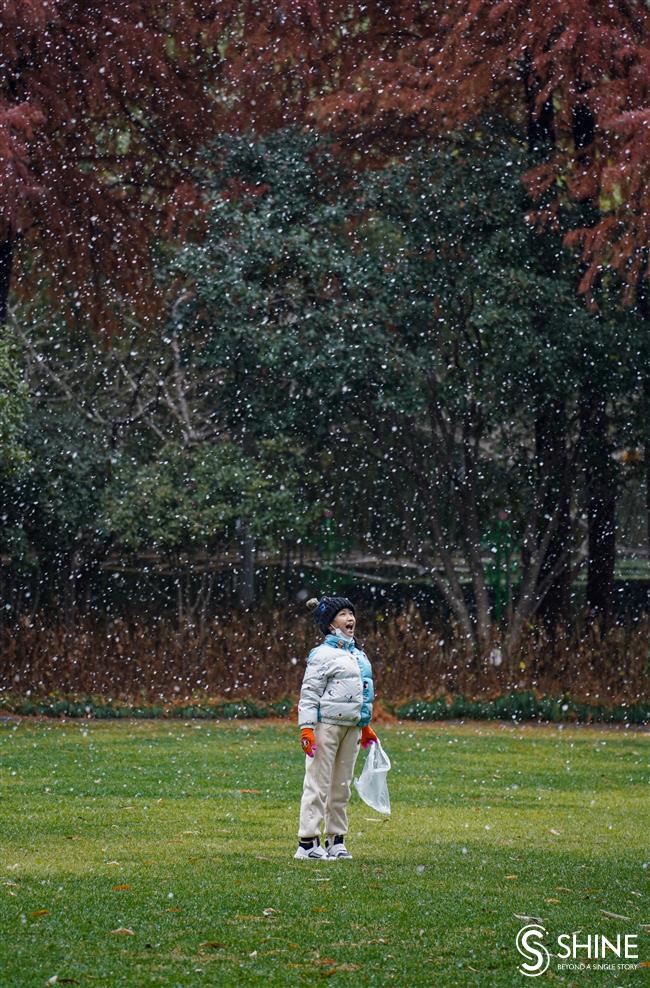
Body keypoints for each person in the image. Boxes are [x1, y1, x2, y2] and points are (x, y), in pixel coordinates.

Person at [294, 595, 378, 860]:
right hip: (326, 727)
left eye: (350, 613)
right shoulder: (322, 655)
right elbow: (309, 694)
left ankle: (335, 839)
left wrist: (365, 724)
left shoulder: (359, 656)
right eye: (342, 614)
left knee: (341, 786)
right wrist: (307, 727)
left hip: (351, 728)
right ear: (330, 623)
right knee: (318, 783)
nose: (349, 618)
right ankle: (307, 842)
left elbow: (365, 692)